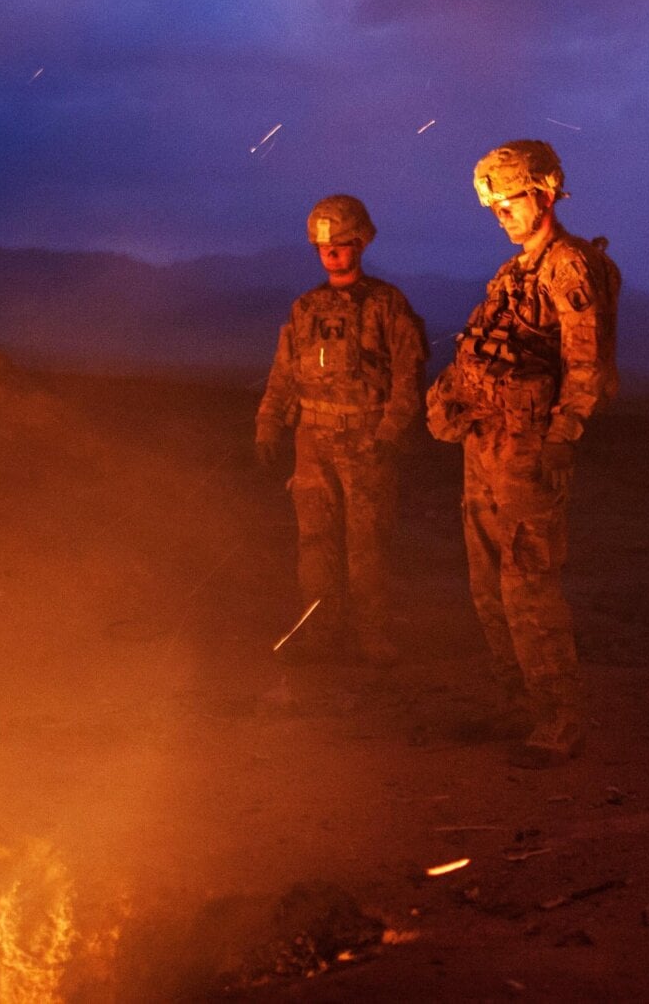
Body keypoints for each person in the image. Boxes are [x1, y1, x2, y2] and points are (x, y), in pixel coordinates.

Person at [426, 140, 620, 768]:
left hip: (530, 451)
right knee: (488, 586)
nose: (502, 215)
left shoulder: (570, 267)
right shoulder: (511, 275)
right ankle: (518, 705)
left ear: (543, 193)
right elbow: (482, 347)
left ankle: (560, 721)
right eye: (495, 207)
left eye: (510, 201)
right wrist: (448, 400)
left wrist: (564, 435)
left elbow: (588, 364)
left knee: (528, 583)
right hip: (486, 444)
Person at [256, 194, 428, 665]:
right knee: (315, 544)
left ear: (361, 243)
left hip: (366, 441)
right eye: (324, 246)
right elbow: (284, 372)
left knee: (367, 544)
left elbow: (407, 377)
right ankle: (321, 634)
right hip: (311, 442)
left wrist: (390, 434)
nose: (332, 252)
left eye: (343, 243)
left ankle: (372, 636)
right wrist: (268, 424)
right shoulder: (305, 308)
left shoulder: (387, 305)